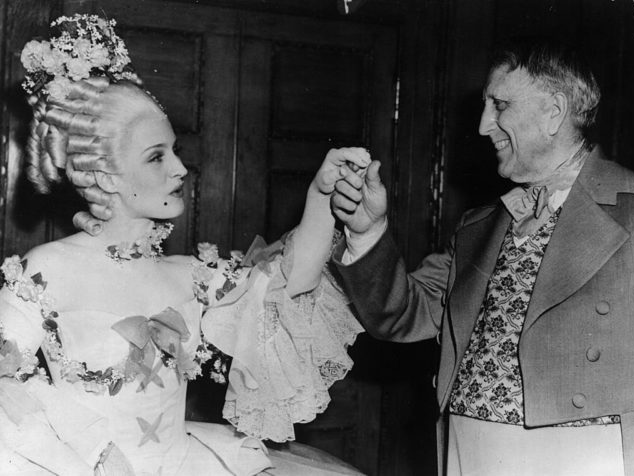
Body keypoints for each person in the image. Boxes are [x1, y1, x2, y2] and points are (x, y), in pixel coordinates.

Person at [0, 14, 368, 475]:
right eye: (157, 156)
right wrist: (93, 454)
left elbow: (292, 278)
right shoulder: (47, 270)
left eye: (175, 151)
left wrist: (320, 197)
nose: (179, 169)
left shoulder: (186, 274)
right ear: (103, 175)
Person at [330, 38, 634, 476]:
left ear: (553, 111)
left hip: (581, 454)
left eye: (500, 105)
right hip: (468, 449)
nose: (482, 125)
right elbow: (401, 315)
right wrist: (368, 233)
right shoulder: (480, 224)